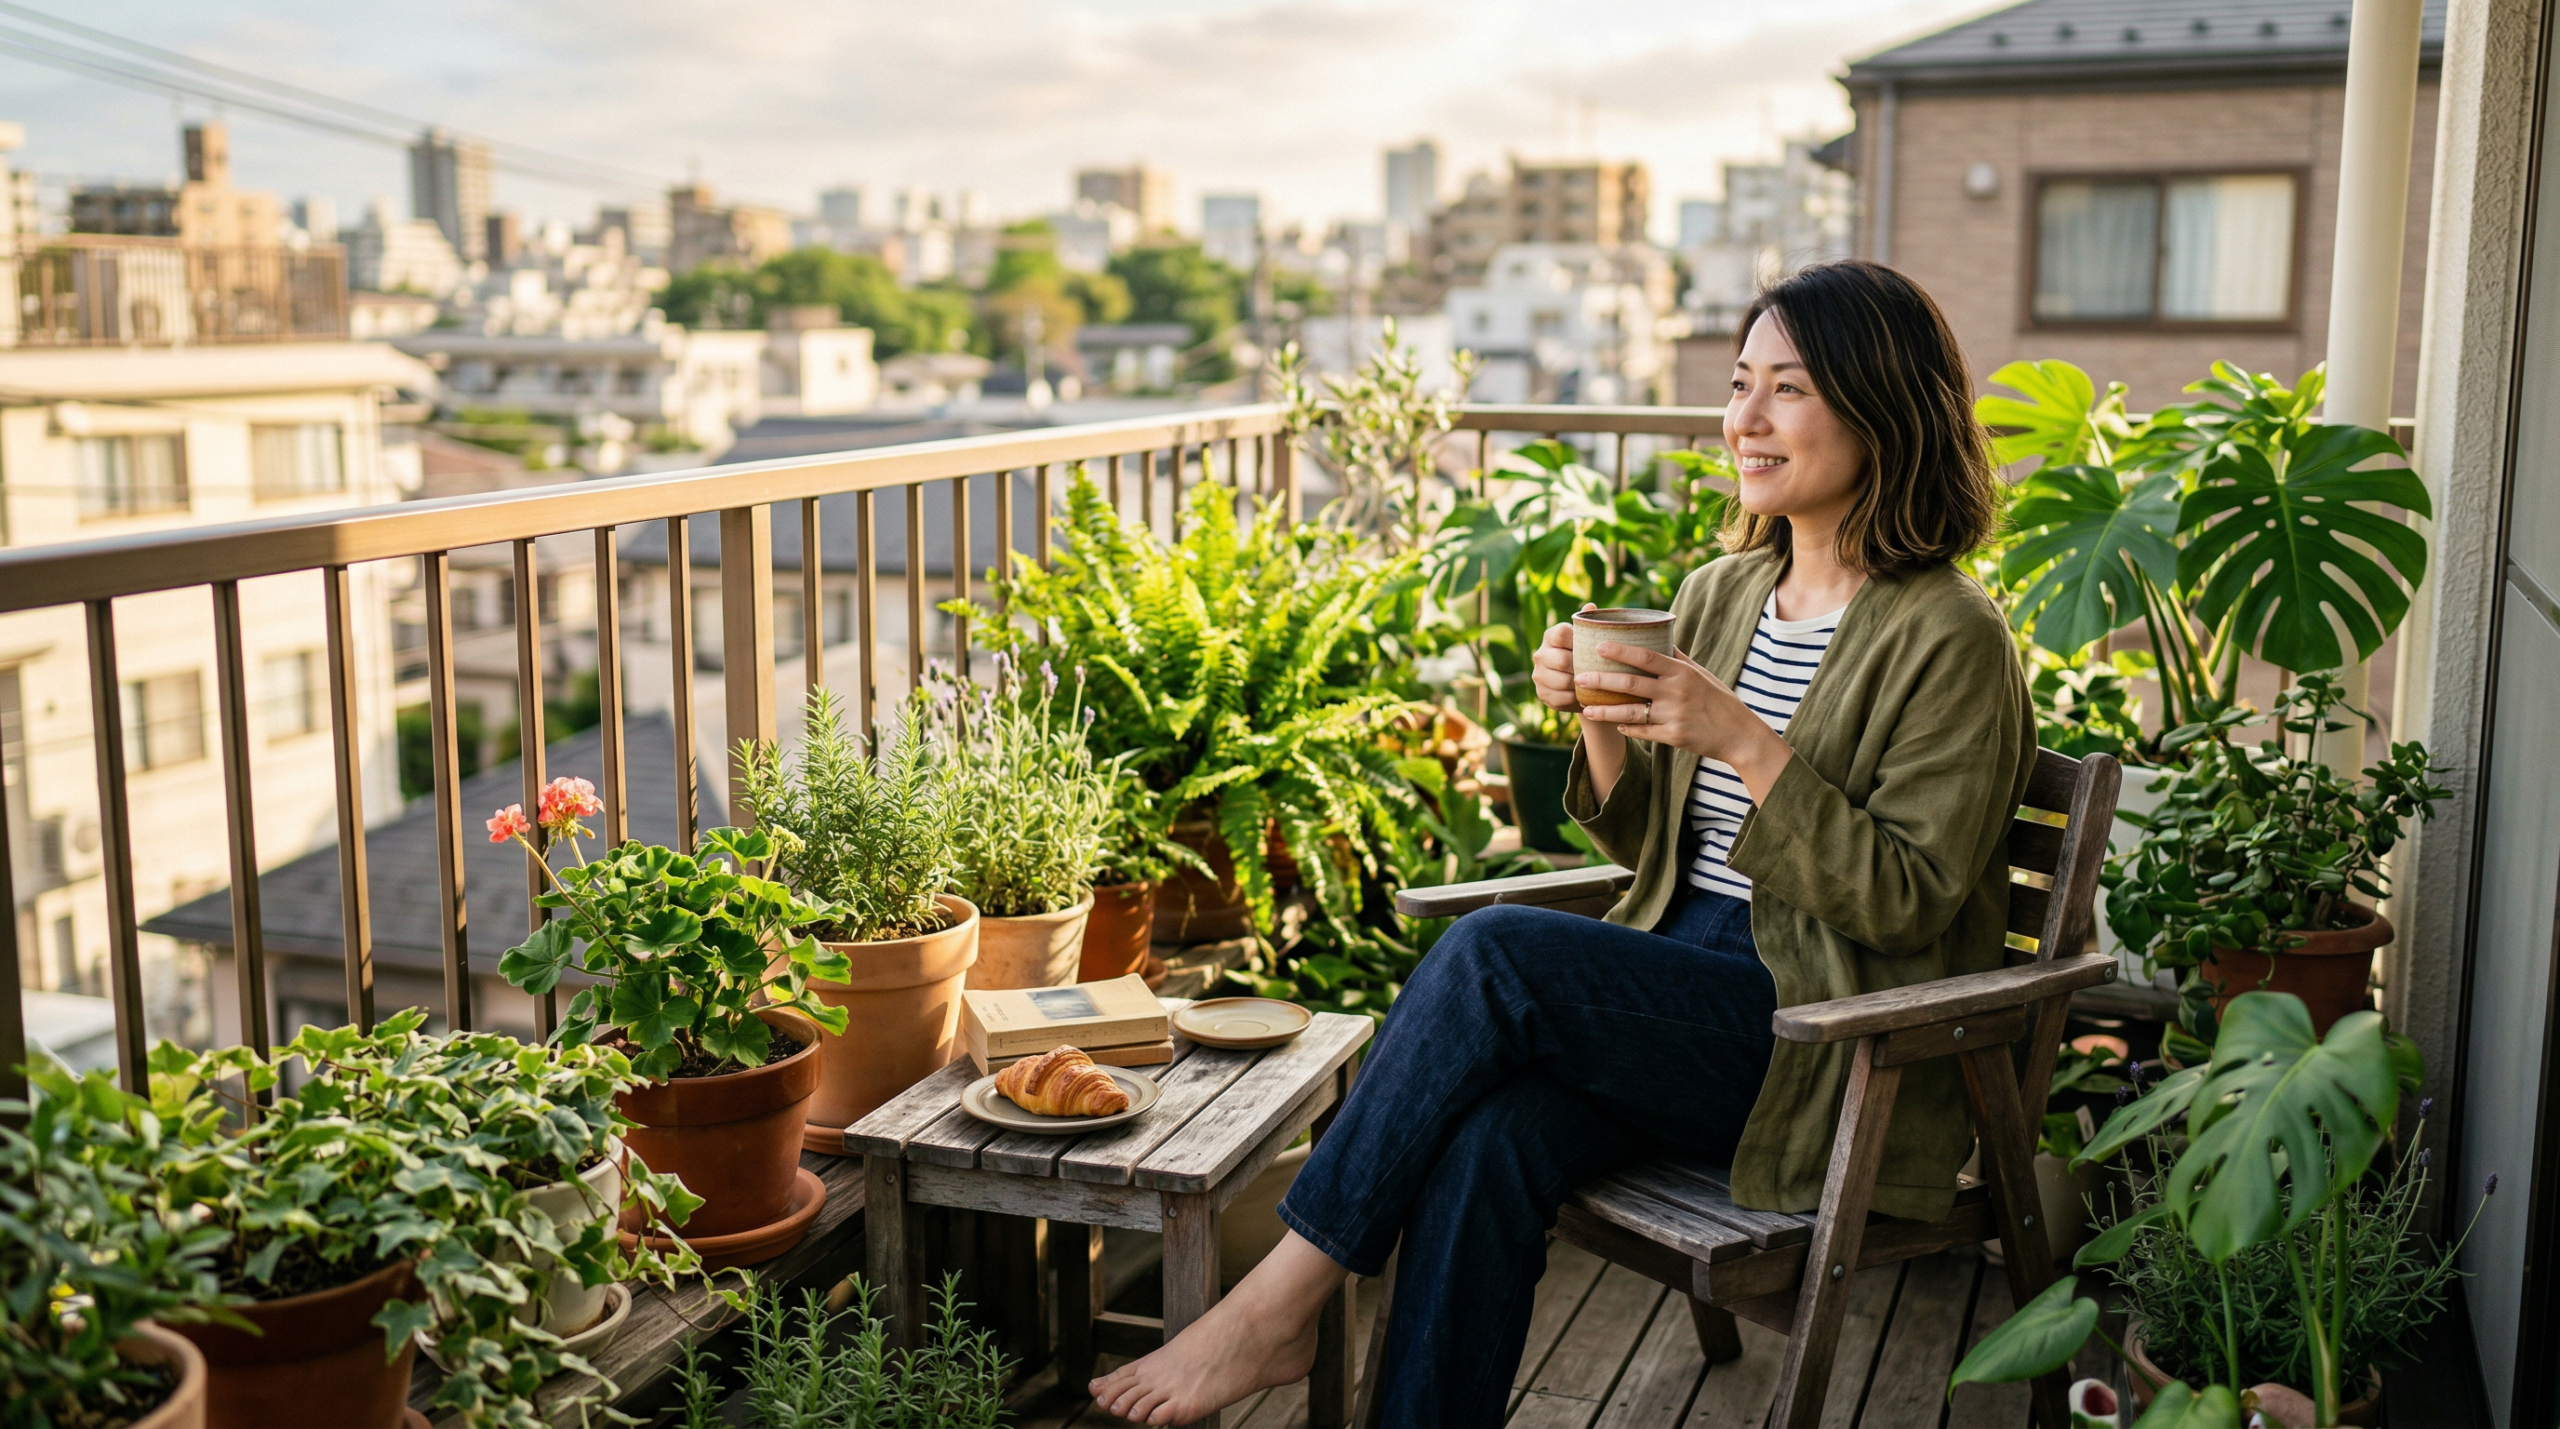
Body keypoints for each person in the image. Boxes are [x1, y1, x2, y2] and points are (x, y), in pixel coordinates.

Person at [1089, 259, 2031, 1427]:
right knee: (1491, 1142)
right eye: (1740, 384)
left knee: (1496, 951)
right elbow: (1652, 841)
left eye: (1787, 389)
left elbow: (1910, 898)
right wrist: (1597, 722)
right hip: (1678, 986)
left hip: (1822, 1033)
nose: (1743, 419)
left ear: (1883, 404)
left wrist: (1739, 734)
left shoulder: (1952, 635)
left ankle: (1278, 1300)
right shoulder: (1725, 591)